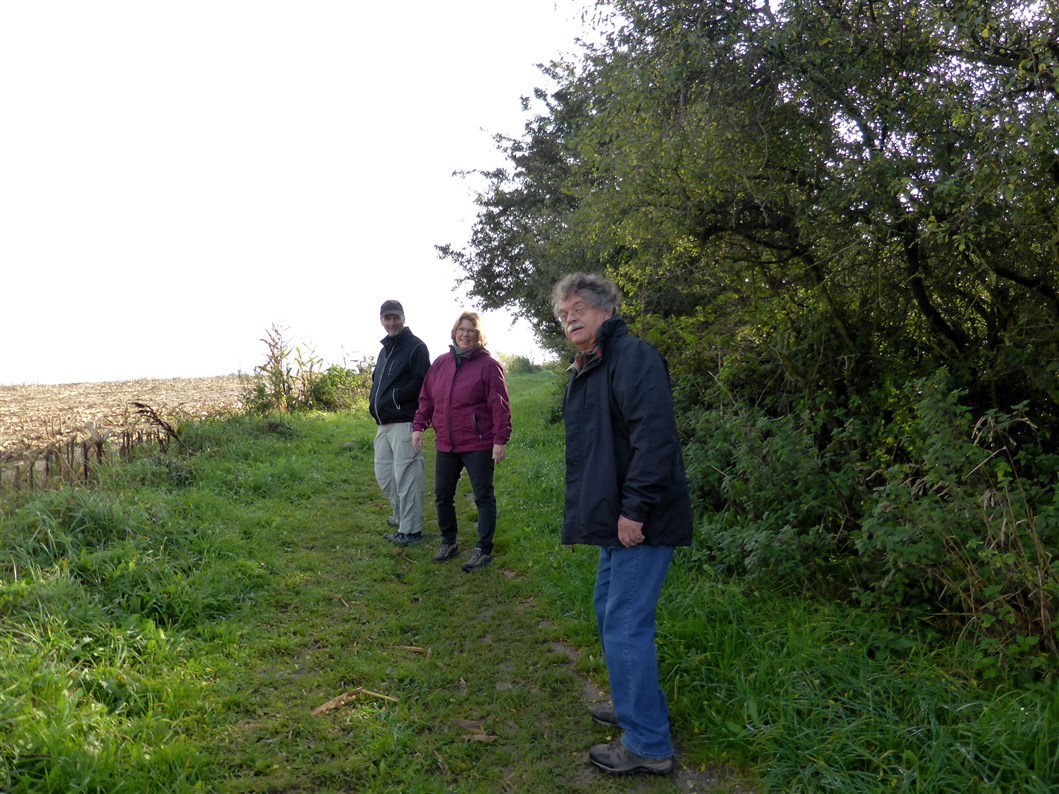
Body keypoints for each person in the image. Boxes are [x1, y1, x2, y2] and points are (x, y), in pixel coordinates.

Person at [551, 273, 693, 776]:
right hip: (618, 521)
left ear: (604, 310)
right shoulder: (593, 365)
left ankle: (648, 744)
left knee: (626, 624)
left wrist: (635, 510)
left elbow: (654, 439)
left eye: (578, 309)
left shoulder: (632, 357)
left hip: (642, 520)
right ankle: (636, 706)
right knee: (609, 612)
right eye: (563, 313)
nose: (569, 318)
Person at [412, 311, 512, 572]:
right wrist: (419, 426)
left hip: (478, 443)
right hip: (446, 443)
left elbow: (500, 405)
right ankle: (448, 542)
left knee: (483, 496)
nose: (466, 335)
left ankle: (483, 550)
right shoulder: (440, 364)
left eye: (471, 331)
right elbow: (427, 399)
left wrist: (500, 440)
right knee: (442, 495)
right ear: (455, 332)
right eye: (462, 329)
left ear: (479, 336)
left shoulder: (488, 366)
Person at [368, 299, 430, 546]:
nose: (392, 322)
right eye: (387, 318)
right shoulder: (385, 350)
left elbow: (422, 383)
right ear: (381, 320)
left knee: (408, 477)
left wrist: (394, 398)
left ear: (403, 318)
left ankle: (411, 531)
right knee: (385, 474)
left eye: (396, 317)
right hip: (383, 423)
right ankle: (401, 516)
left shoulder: (416, 347)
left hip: (405, 422)